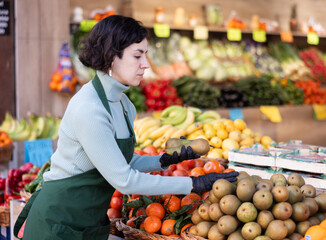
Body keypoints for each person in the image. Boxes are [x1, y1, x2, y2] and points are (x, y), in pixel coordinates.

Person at [14, 15, 238, 240]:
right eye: (137, 55)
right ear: (112, 56)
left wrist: (163, 160)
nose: (145, 65)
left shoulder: (124, 105)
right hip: (56, 222)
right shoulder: (89, 108)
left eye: (146, 55)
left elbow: (121, 163)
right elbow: (124, 180)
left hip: (89, 221)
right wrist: (192, 183)